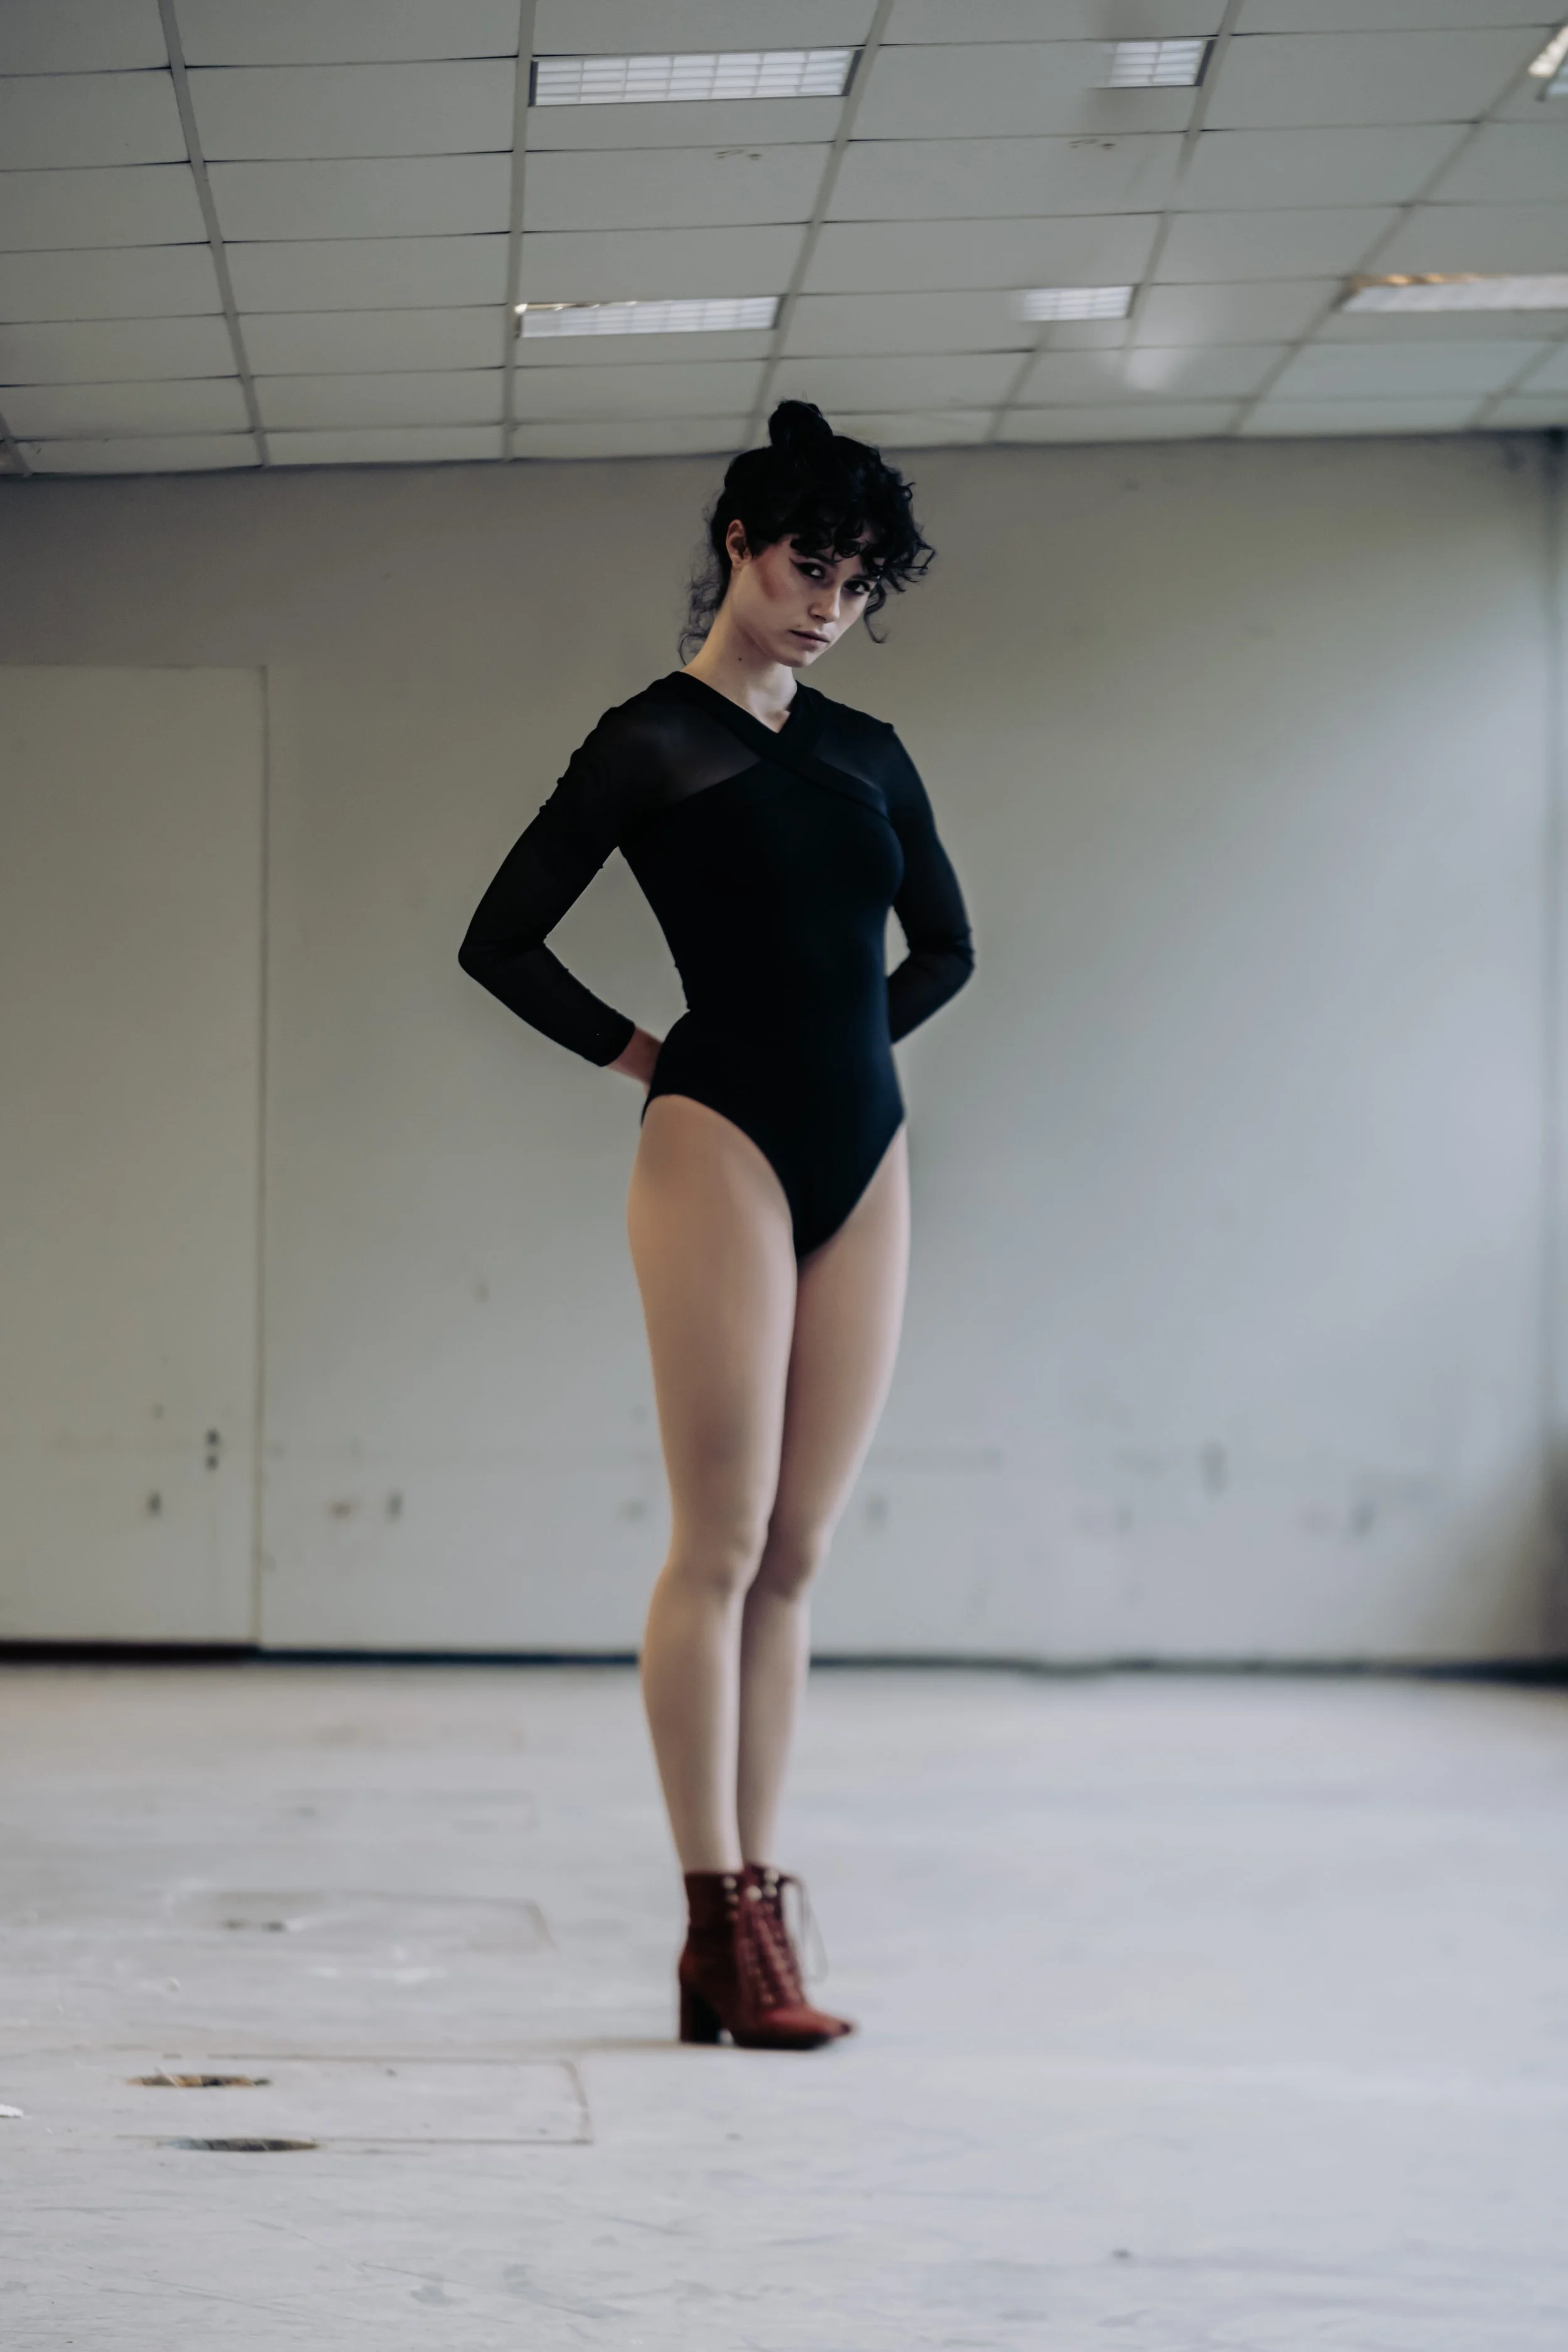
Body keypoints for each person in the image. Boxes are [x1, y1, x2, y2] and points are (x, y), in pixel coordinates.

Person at [459, 400, 973, 2048]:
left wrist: (843, 1062)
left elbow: (946, 950)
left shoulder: (869, 751)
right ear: (740, 548)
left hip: (864, 1146)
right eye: (807, 564)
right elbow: (500, 940)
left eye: (859, 579)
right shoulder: (649, 740)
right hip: (715, 1143)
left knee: (802, 1550)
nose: (829, 601)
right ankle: (720, 1914)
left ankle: (752, 1898)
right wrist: (652, 1056)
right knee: (724, 1538)